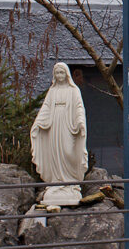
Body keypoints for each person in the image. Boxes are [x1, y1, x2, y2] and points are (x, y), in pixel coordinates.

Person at [30, 62, 88, 205]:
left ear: (66, 74)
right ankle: (57, 182)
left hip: (68, 125)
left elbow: (79, 107)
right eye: (57, 73)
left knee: (67, 151)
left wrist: (80, 122)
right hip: (54, 124)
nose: (59, 75)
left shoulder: (74, 91)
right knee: (55, 153)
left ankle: (70, 182)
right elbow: (46, 108)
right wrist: (37, 123)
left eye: (62, 73)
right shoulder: (53, 91)